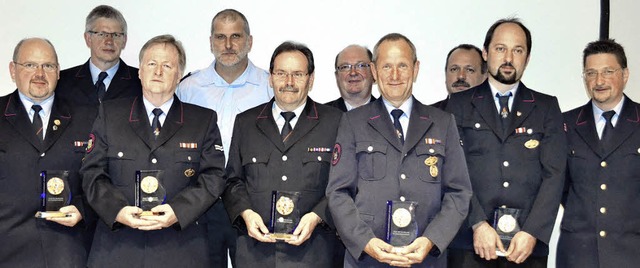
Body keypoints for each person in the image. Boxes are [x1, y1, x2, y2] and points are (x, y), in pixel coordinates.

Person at [326, 33, 473, 267]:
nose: (394, 76)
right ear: (374, 71)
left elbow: (459, 193)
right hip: (367, 259)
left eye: (402, 66)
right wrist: (365, 242)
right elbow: (338, 193)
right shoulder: (353, 122)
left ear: (415, 69)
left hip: (426, 259)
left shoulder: (443, 123)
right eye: (386, 66)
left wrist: (431, 240)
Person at [80, 35, 226, 267]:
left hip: (181, 248)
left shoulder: (202, 120)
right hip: (117, 247)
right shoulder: (110, 115)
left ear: (179, 75)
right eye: (151, 64)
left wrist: (178, 211)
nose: (158, 71)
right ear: (139, 71)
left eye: (167, 66)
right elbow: (91, 173)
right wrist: (117, 210)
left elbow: (214, 177)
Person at [446, 18, 566, 267]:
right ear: (486, 53)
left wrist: (532, 232)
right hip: (470, 243)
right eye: (501, 49)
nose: (509, 58)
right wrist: (478, 223)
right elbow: (454, 172)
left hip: (526, 247)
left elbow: (554, 175)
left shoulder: (546, 107)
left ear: (527, 58)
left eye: (518, 50)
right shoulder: (458, 105)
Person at [223, 41, 343, 267]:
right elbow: (232, 181)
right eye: (281, 73)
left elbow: (343, 185)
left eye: (298, 74)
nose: (289, 82)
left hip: (314, 253)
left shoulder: (335, 122)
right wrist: (246, 213)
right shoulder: (246, 122)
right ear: (270, 78)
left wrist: (317, 216)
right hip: (256, 252)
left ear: (311, 79)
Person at [175, 9, 273, 267]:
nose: (228, 45)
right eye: (220, 37)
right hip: (202, 205)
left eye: (236, 36)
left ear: (249, 41)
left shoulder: (269, 87)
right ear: (210, 42)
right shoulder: (188, 89)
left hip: (252, 204)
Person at [0, 38, 95, 267]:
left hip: (70, 252)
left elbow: (103, 178)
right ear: (13, 70)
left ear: (59, 72)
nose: (40, 73)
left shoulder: (89, 118)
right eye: (30, 65)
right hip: (8, 251)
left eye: (48, 66)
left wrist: (84, 209)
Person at [558, 39, 639, 268]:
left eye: (608, 71)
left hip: (632, 254)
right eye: (591, 73)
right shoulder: (566, 124)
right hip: (578, 254)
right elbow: (561, 186)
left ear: (625, 75)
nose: (599, 81)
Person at [56, 5, 141, 107]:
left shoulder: (141, 82)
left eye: (116, 35)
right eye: (102, 34)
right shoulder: (62, 82)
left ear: (124, 40)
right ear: (88, 38)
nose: (109, 41)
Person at [431, 44, 487, 109]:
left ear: (484, 77)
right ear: (446, 74)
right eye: (454, 69)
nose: (461, 76)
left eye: (469, 70)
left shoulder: (495, 115)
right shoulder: (427, 115)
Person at [325, 44, 376, 111]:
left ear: (373, 72)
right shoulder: (321, 117)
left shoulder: (388, 114)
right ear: (337, 76)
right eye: (345, 67)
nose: (353, 73)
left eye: (360, 65)